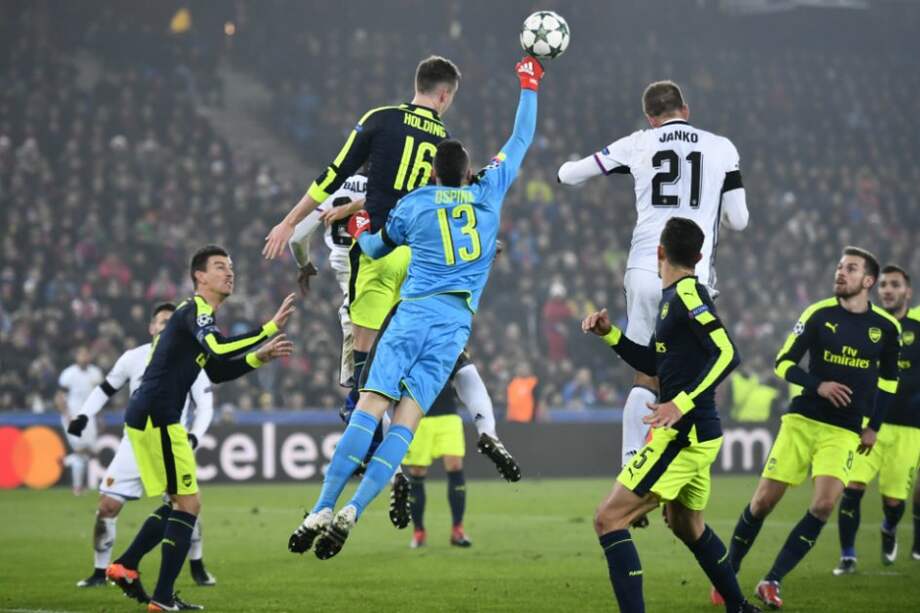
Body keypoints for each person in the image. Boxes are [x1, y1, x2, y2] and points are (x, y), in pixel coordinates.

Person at [287, 56, 543, 561]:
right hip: (453, 328)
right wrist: (529, 85)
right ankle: (354, 511)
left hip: (411, 315)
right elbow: (520, 141)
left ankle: (321, 507)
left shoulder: (415, 204)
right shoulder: (487, 194)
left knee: (370, 408)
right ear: (470, 172)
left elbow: (378, 251)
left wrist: (360, 229)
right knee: (405, 425)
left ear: (431, 171)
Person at [265, 56, 460, 528]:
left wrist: (290, 221)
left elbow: (330, 174)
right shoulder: (443, 142)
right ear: (446, 95)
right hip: (420, 262)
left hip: (372, 257)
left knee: (361, 384)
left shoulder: (380, 120)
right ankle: (398, 467)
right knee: (412, 374)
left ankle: (355, 486)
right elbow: (450, 196)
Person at [557, 80, 749, 474]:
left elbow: (571, 175)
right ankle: (676, 466)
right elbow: (739, 220)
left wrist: (563, 168)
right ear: (686, 109)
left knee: (646, 373)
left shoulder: (639, 143)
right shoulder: (722, 148)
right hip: (692, 275)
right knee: (696, 371)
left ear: (650, 117)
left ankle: (631, 465)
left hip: (647, 268)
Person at [105, 245, 295, 612]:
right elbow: (219, 349)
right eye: (220, 267)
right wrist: (269, 328)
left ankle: (127, 565)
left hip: (151, 414)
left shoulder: (197, 316)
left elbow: (216, 369)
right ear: (199, 277)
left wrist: (260, 356)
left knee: (180, 502)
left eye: (231, 267)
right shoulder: (195, 310)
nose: (230, 273)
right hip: (158, 415)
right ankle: (161, 599)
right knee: (188, 503)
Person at [582, 217, 758, 613]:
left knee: (608, 519)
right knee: (686, 524)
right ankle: (740, 607)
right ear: (698, 256)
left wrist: (683, 401)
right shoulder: (672, 299)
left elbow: (727, 352)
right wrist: (610, 334)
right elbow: (652, 363)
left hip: (683, 435)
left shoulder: (688, 295)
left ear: (658, 252)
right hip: (699, 432)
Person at [725, 247, 901, 609]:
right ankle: (727, 573)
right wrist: (816, 384)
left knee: (823, 505)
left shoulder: (886, 328)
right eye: (839, 266)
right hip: (802, 421)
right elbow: (782, 362)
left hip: (845, 431)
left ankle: (771, 581)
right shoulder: (818, 314)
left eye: (850, 269)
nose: (840, 273)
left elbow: (888, 383)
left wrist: (874, 427)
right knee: (762, 504)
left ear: (868, 281)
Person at [69, 302, 217, 589]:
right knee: (107, 506)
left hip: (168, 442)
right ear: (151, 327)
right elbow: (105, 388)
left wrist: (195, 435)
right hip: (134, 442)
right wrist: (84, 414)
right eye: (161, 322)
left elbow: (206, 405)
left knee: (183, 506)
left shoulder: (191, 360)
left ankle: (196, 565)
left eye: (170, 322)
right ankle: (101, 572)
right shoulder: (133, 358)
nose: (165, 327)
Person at [833, 265, 920, 573]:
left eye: (895, 285)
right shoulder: (869, 324)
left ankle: (889, 528)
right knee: (853, 487)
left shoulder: (918, 324)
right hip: (870, 424)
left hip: (910, 427)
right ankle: (848, 556)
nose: (887, 290)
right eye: (883, 284)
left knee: (895, 502)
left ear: (908, 292)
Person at [288, 172, 367, 388]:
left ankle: (353, 376)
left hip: (345, 259)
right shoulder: (389, 184)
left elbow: (296, 238)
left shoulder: (332, 188)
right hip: (381, 257)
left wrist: (304, 265)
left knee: (353, 310)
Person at [57, 346, 104, 495]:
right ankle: (77, 487)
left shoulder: (96, 373)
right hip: (73, 415)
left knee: (89, 452)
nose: (84, 357)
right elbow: (59, 396)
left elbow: (100, 396)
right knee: (80, 450)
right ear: (76, 356)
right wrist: (66, 414)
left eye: (86, 354)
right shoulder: (68, 374)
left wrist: (100, 416)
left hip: (90, 416)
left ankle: (66, 461)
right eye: (81, 354)